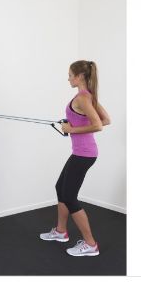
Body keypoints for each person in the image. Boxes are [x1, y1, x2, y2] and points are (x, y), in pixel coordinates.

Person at [40, 60, 111, 256]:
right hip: (81, 152)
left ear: (79, 76)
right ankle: (61, 232)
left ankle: (90, 244)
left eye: (70, 74)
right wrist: (74, 125)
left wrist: (72, 129)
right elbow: (106, 120)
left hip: (84, 154)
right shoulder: (88, 96)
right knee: (60, 188)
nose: (68, 78)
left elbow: (98, 125)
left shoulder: (82, 98)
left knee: (70, 197)